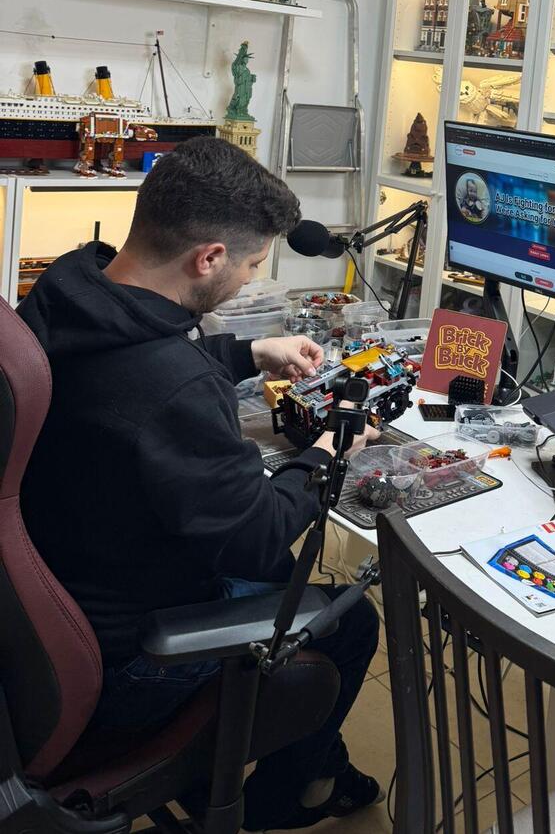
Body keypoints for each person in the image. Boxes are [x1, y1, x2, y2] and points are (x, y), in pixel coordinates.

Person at [19, 137, 382, 827]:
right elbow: (254, 536)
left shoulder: (71, 282)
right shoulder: (173, 389)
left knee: (281, 570)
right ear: (209, 258)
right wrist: (330, 448)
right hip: (128, 658)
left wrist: (245, 349)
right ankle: (279, 798)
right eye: (249, 264)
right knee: (351, 618)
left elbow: (136, 358)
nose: (249, 279)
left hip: (56, 602)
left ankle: (302, 761)